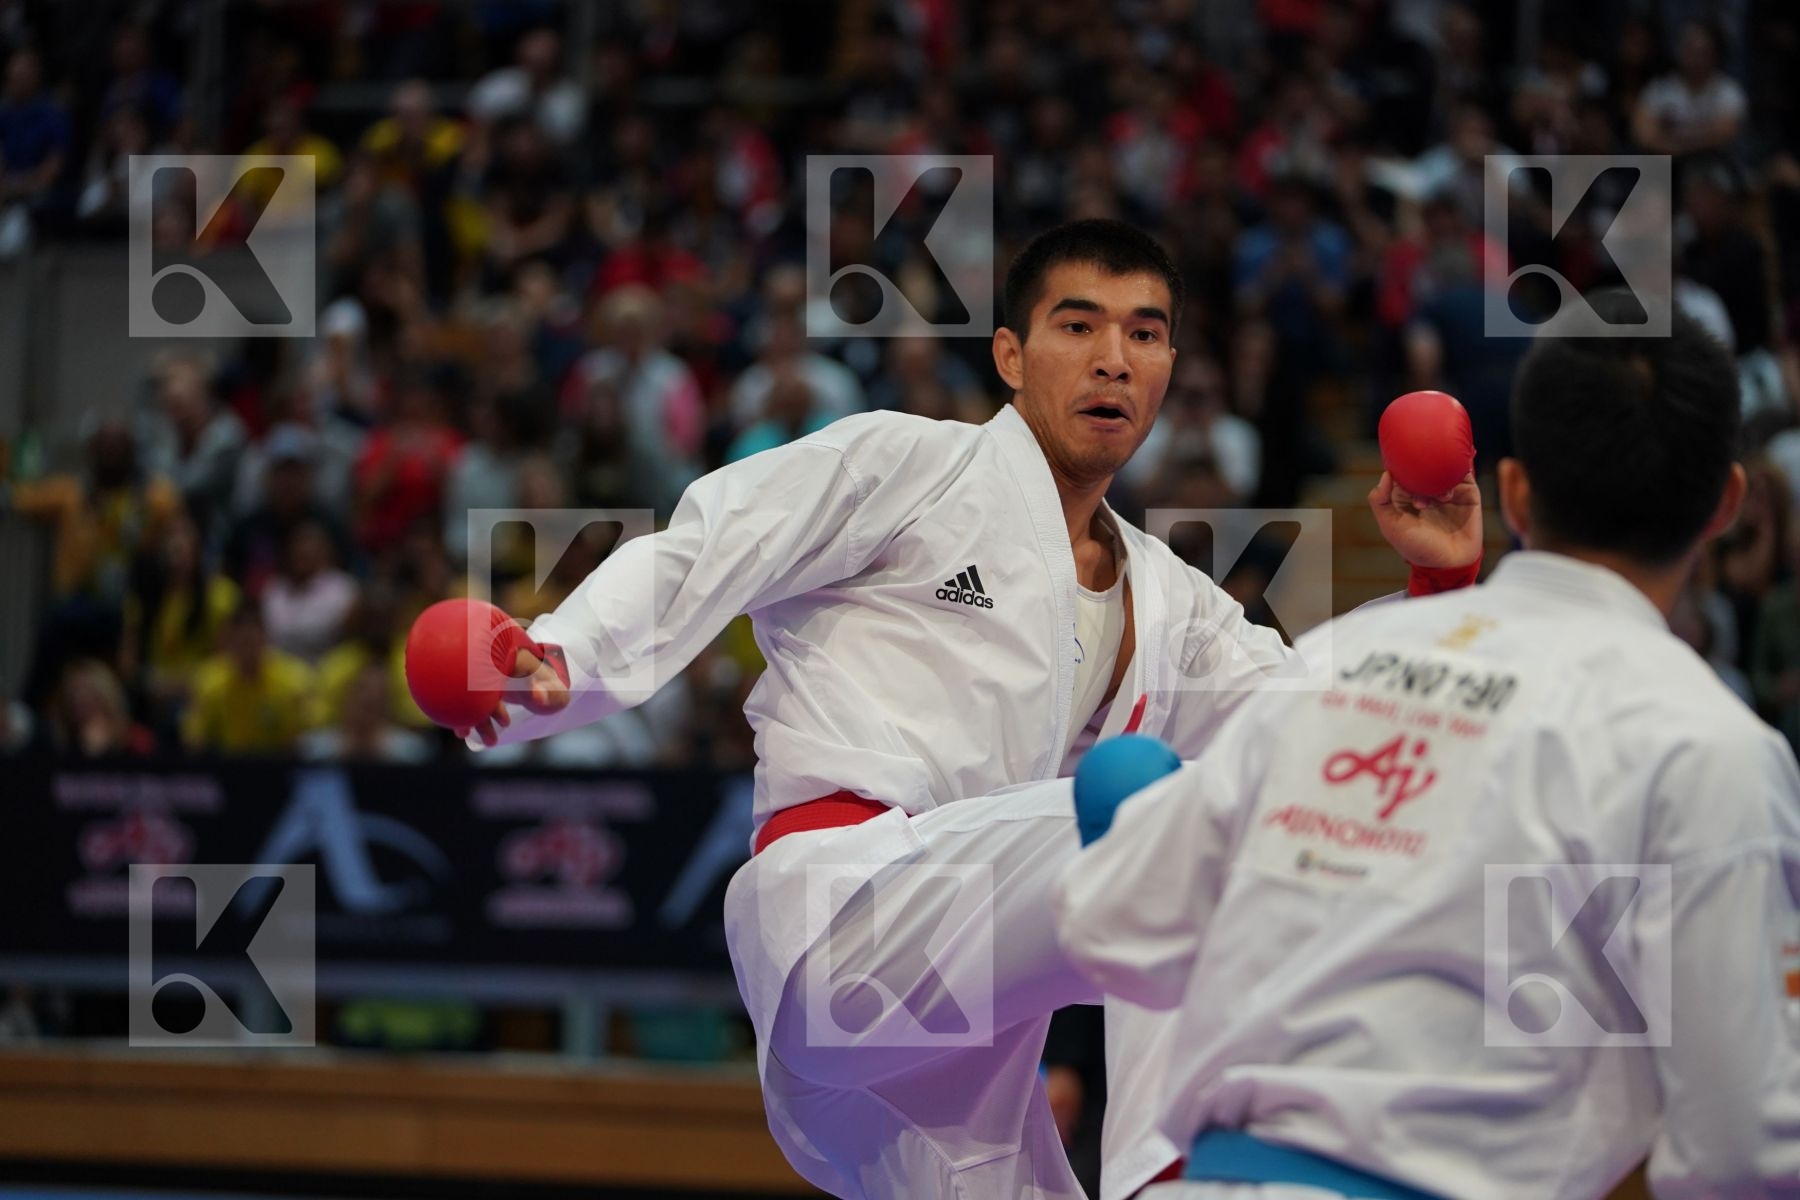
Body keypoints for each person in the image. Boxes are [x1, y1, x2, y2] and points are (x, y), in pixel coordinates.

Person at [454, 221, 1481, 1200]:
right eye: (1079, 326)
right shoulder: (912, 468)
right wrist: (561, 657)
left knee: (1255, 803)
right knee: (1171, 820)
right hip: (846, 919)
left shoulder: (1174, 605)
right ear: (1010, 354)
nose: (1115, 359)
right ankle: (1171, 1175)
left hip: (966, 1039)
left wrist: (1442, 590)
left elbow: (1313, 724)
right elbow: (710, 543)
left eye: (1146, 334)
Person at [1055, 293, 1800, 1200]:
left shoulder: (1341, 656)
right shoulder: (1708, 744)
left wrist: (1130, 823)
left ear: (1518, 489)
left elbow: (1117, 925)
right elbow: (1738, 1153)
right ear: (1725, 502)